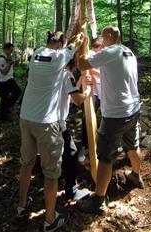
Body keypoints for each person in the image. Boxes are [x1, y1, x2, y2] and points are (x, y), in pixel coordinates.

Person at [17, 31, 84, 232]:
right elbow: (76, 46)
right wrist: (79, 38)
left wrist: (68, 41)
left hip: (26, 118)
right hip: (47, 123)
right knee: (51, 172)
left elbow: (65, 50)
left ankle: (21, 205)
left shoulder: (37, 53)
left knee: (27, 163)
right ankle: (50, 219)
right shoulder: (60, 59)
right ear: (62, 44)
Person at [77, 25, 143, 215]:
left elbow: (82, 64)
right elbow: (113, 75)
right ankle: (136, 176)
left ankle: (98, 200)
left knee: (105, 157)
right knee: (132, 145)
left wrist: (83, 44)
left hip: (116, 114)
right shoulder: (127, 51)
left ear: (108, 36)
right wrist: (95, 78)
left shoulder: (110, 51)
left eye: (103, 37)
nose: (101, 40)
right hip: (133, 109)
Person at [60, 57, 91, 201]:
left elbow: (71, 97)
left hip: (34, 120)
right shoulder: (66, 74)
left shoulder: (51, 71)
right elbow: (78, 100)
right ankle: (71, 190)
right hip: (55, 123)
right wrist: (88, 90)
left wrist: (79, 83)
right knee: (71, 153)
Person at [78, 36, 104, 163]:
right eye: (95, 49)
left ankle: (104, 144)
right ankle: (85, 146)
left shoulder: (107, 54)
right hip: (92, 92)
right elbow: (82, 65)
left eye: (98, 49)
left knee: (106, 118)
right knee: (86, 118)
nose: (97, 51)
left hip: (105, 92)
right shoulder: (91, 54)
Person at [0, 42, 21, 122]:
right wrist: (9, 64)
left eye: (12, 50)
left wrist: (14, 63)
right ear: (5, 49)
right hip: (2, 80)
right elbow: (4, 72)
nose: (11, 52)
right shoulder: (1, 59)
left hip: (9, 79)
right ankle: (3, 116)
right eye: (10, 50)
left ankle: (5, 112)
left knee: (10, 96)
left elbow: (10, 68)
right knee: (14, 93)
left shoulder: (8, 56)